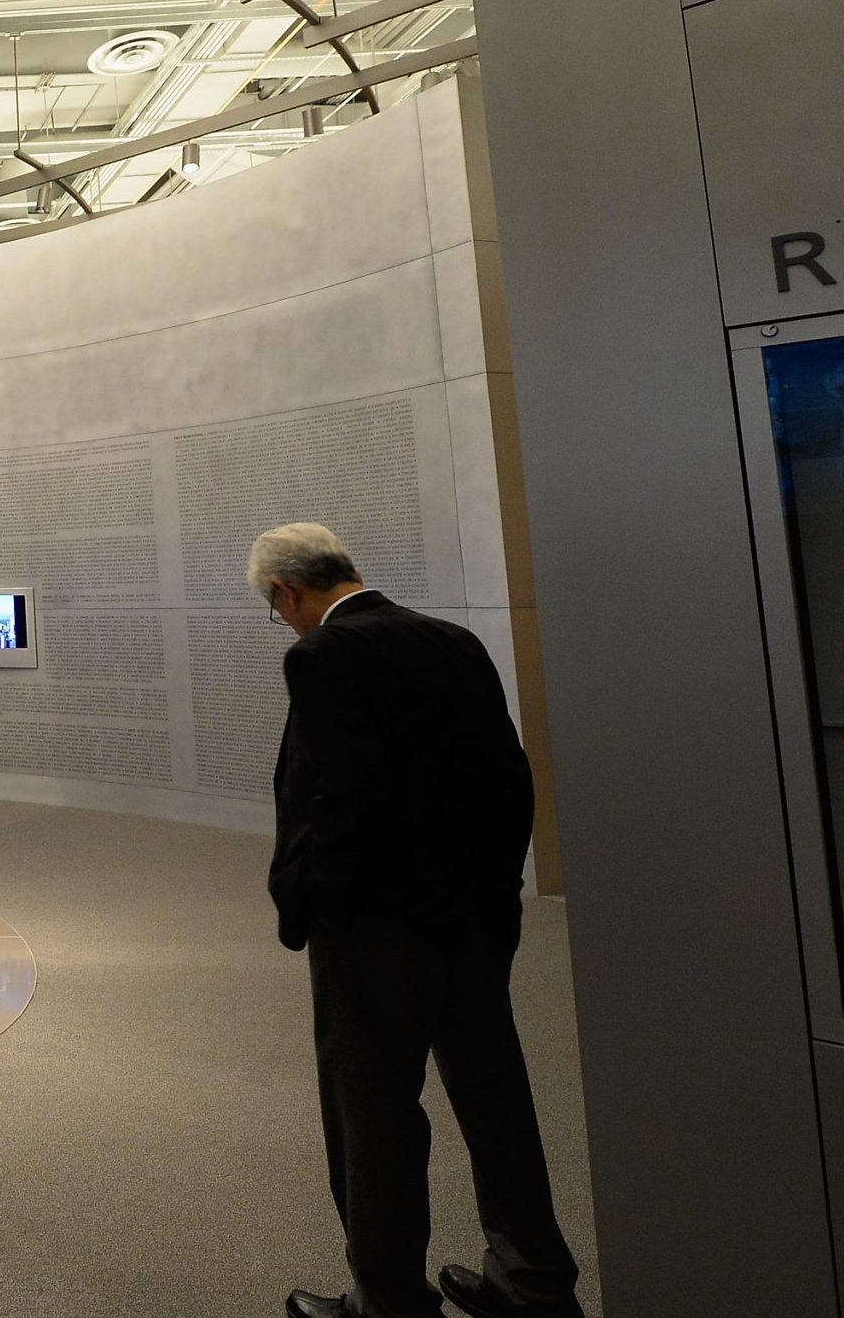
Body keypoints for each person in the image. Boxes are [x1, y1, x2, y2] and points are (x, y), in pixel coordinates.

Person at [249, 523, 583, 1318]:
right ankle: (534, 1278)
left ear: (287, 593)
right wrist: (496, 895)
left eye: (277, 610)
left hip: (373, 930)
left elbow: (332, 801)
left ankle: (389, 1299)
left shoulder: (321, 656)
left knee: (375, 1111)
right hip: (473, 918)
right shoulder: (453, 640)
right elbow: (510, 779)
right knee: (493, 1095)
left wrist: (313, 902)